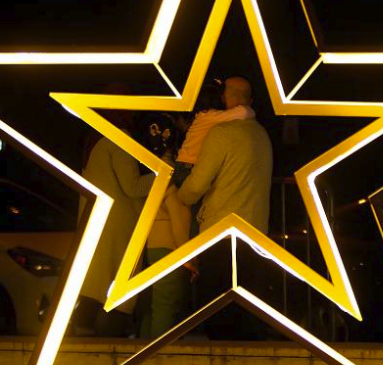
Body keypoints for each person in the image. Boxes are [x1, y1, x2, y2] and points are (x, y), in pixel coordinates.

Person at [140, 82, 255, 338]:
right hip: (188, 172)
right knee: (166, 305)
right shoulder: (211, 118)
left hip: (185, 170)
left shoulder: (201, 120)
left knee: (159, 306)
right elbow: (244, 113)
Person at [166, 76, 273, 339]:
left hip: (221, 232)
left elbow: (196, 185)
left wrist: (180, 195)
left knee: (217, 310)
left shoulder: (221, 133)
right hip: (256, 233)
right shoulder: (261, 135)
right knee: (248, 313)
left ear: (227, 96)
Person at [78, 100, 155, 337]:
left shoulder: (95, 141)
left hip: (95, 223)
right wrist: (163, 174)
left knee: (93, 288)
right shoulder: (119, 137)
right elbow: (132, 186)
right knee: (119, 294)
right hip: (118, 227)